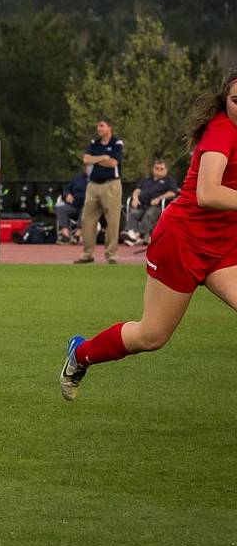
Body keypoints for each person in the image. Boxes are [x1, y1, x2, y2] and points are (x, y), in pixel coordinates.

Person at [60, 68, 237, 401]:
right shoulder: (221, 130)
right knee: (152, 336)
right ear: (224, 99)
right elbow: (208, 193)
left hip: (224, 246)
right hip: (182, 243)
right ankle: (80, 354)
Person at [76, 118, 125, 264]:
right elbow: (86, 159)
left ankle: (111, 254)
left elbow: (113, 163)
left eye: (102, 126)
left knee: (112, 220)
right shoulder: (94, 143)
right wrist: (102, 158)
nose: (99, 128)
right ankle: (87, 253)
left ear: (110, 127)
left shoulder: (116, 143)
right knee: (87, 219)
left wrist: (95, 160)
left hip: (111, 185)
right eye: (98, 125)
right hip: (93, 185)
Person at [123, 160, 179, 245]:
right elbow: (137, 190)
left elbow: (172, 193)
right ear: (153, 169)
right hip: (142, 206)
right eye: (157, 168)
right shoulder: (146, 180)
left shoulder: (169, 181)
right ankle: (131, 233)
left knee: (149, 214)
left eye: (161, 169)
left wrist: (159, 198)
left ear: (166, 170)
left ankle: (138, 235)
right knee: (134, 213)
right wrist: (135, 198)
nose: (159, 171)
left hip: (157, 207)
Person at [55, 172, 88, 244]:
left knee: (86, 208)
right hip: (74, 206)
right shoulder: (77, 177)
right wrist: (67, 194)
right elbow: (67, 189)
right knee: (60, 207)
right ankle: (65, 235)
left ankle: (78, 235)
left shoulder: (96, 180)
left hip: (88, 208)